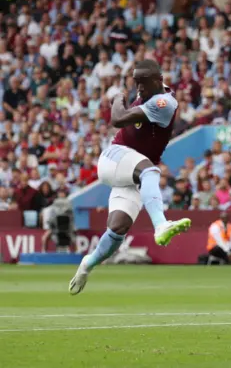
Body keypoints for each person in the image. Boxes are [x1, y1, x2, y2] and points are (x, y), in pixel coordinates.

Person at [69, 60, 191, 295]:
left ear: (157, 81)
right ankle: (161, 225)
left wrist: (117, 98)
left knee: (118, 229)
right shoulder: (147, 94)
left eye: (143, 83)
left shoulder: (163, 102)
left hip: (132, 170)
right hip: (114, 158)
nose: (139, 88)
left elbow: (117, 118)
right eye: (136, 83)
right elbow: (118, 123)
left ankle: (88, 264)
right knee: (151, 170)